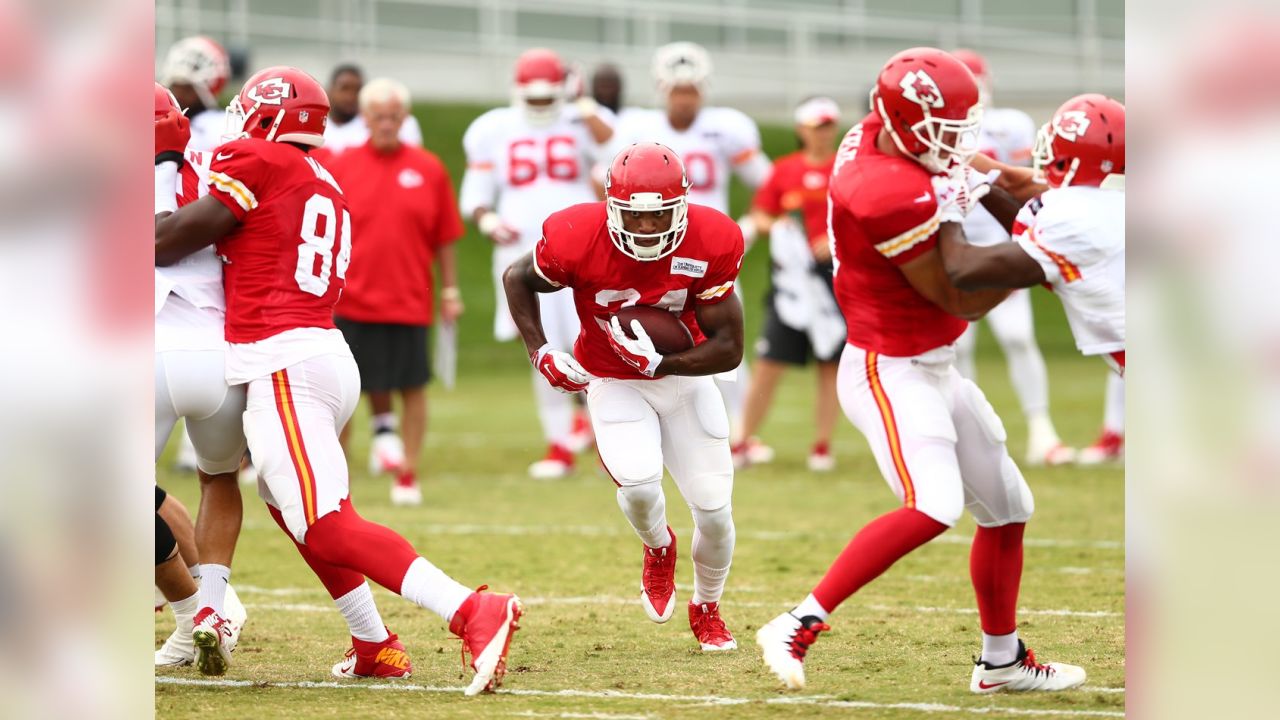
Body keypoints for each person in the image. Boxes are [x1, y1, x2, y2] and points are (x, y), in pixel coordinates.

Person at [154, 66, 522, 694]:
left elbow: (166, 241)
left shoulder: (258, 158)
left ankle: (470, 608)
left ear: (265, 116)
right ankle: (373, 641)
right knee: (292, 510)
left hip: (283, 361)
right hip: (320, 350)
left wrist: (161, 160)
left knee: (326, 522)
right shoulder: (321, 174)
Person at [756, 48, 1087, 693]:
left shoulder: (894, 136)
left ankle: (1001, 661)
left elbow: (995, 180)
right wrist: (1043, 262)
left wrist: (1068, 208)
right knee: (934, 505)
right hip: (888, 366)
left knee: (1008, 508)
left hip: (935, 362)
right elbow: (956, 292)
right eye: (946, 130)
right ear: (904, 121)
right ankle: (797, 621)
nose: (957, 143)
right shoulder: (881, 188)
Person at [503, 142, 744, 652]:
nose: (648, 230)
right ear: (611, 206)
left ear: (683, 206)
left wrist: (667, 363)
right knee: (637, 486)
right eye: (636, 217)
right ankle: (659, 548)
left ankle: (707, 607)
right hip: (613, 378)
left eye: (660, 218)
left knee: (716, 513)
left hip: (685, 380)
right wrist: (540, 349)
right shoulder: (575, 236)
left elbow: (730, 349)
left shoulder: (713, 239)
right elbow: (516, 277)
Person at [605, 42, 771, 450]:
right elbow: (607, 183)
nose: (685, 99)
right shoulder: (637, 129)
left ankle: (739, 432)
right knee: (646, 334)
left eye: (691, 90)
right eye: (678, 90)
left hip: (710, 252)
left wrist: (748, 225)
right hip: (652, 253)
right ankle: (643, 424)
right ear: (663, 88)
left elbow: (769, 183)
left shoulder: (727, 127)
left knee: (727, 338)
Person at [460, 48, 615, 479]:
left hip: (582, 250)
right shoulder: (494, 128)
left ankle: (604, 438)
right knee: (542, 346)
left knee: (594, 343)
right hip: (523, 253)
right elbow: (475, 189)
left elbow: (615, 145)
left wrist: (581, 102)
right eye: (537, 98)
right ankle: (560, 441)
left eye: (552, 97)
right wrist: (486, 217)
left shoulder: (584, 120)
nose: (544, 106)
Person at [326, 78, 465, 506]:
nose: (385, 124)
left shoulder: (428, 168)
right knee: (343, 394)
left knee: (412, 388)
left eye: (393, 116)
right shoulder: (340, 164)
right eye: (377, 116)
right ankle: (337, 480)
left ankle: (408, 473)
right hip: (350, 300)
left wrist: (451, 290)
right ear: (365, 118)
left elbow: (445, 237)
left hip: (408, 299)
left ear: (404, 119)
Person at [152, 82, 248, 674]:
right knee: (220, 483)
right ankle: (218, 607)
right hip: (229, 355)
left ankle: (192, 615)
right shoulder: (228, 171)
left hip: (153, 347)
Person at [940, 94, 1125, 374]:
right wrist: (982, 187)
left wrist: (949, 210)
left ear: (1070, 161)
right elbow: (1025, 222)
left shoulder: (1078, 219)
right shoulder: (1108, 204)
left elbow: (964, 269)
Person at [949, 49, 1073, 466]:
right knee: (958, 347)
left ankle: (1042, 430)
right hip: (957, 247)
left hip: (1005, 245)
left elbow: (1024, 187)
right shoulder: (939, 130)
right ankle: (965, 437)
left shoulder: (1009, 124)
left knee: (1018, 337)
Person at [735, 97, 845, 472]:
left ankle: (822, 444)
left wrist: (834, 240)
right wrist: (778, 226)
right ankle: (743, 439)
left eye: (828, 125)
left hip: (835, 279)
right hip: (793, 282)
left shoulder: (845, 169)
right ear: (802, 130)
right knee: (770, 360)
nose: (822, 133)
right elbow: (761, 212)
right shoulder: (785, 170)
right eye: (816, 126)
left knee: (830, 363)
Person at [321, 63, 423, 156]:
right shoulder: (316, 124)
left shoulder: (399, 123)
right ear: (329, 90)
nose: (350, 96)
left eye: (357, 90)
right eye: (344, 88)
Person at [160, 36, 231, 152]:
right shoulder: (159, 119)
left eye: (188, 88)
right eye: (176, 85)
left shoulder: (223, 127)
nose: (179, 94)